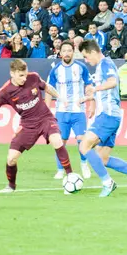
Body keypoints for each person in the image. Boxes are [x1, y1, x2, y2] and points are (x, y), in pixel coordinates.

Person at [0, 59, 74, 193]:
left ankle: (71, 175)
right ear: (12, 73)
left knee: (57, 140)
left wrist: (61, 98)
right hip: (27, 124)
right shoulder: (5, 91)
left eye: (25, 74)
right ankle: (11, 186)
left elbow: (46, 87)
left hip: (45, 118)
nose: (24, 78)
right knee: (11, 159)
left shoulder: (33, 77)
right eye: (20, 76)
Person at [77, 39, 127, 197]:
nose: (86, 60)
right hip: (111, 115)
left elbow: (112, 82)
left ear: (92, 52)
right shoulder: (102, 66)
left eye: (85, 56)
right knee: (102, 158)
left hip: (108, 116)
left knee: (84, 147)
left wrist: (94, 89)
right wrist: (90, 99)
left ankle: (107, 183)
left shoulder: (105, 64)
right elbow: (107, 91)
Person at [46, 41, 94, 181]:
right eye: (64, 51)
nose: (66, 53)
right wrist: (47, 109)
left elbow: (88, 86)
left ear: (73, 52)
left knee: (81, 140)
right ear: (60, 53)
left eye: (69, 50)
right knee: (60, 141)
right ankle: (60, 169)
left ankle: (84, 164)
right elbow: (48, 89)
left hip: (78, 110)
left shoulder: (81, 67)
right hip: (62, 111)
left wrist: (91, 104)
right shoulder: (55, 70)